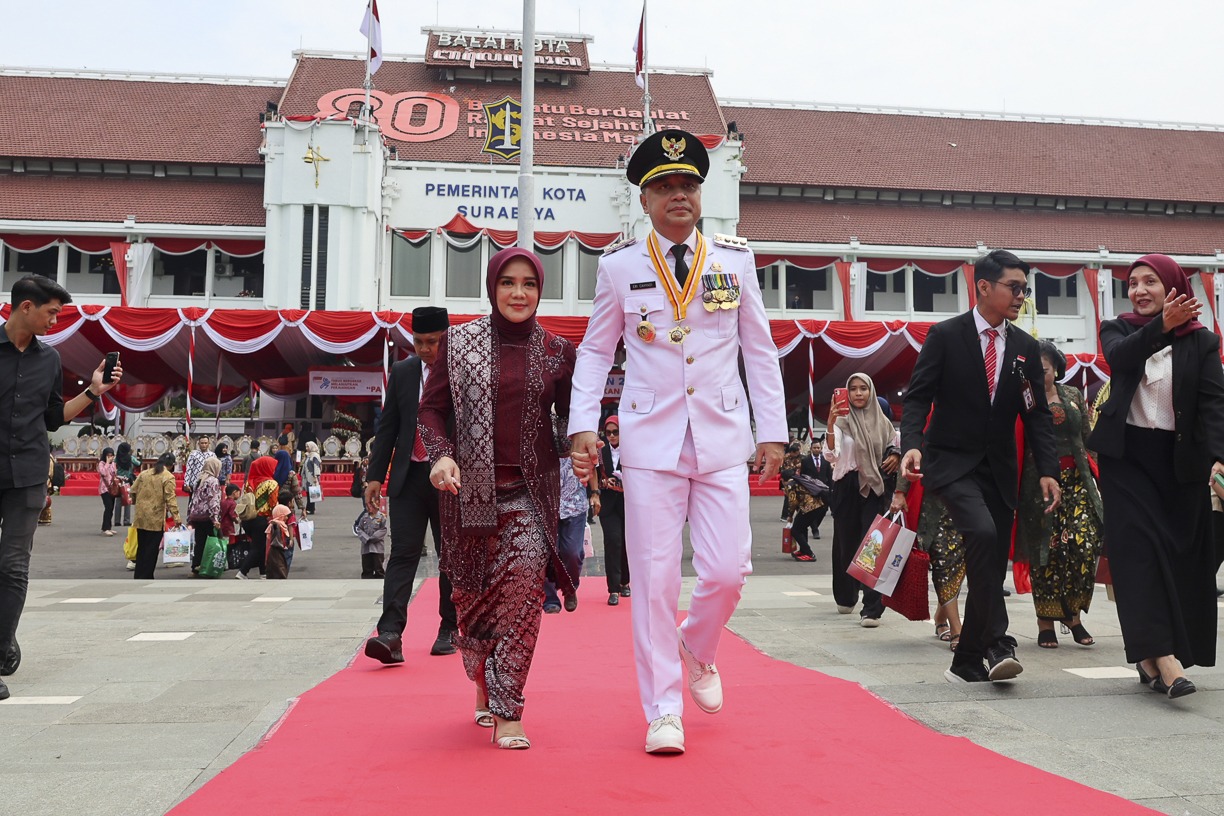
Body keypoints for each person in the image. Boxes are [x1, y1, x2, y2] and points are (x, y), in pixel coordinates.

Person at [568, 130, 787, 754]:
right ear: (645, 201)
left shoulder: (734, 260)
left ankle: (697, 644)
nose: (678, 196)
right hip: (649, 441)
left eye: (688, 184)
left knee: (728, 571)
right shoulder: (619, 267)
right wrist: (583, 424)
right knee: (654, 580)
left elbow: (759, 350)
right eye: (664, 187)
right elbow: (595, 351)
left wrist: (772, 430)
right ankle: (663, 709)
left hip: (721, 437)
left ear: (701, 193)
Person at [418, 247, 577, 750]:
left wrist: (583, 445)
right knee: (473, 607)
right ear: (492, 288)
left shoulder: (557, 350)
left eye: (529, 284)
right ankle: (485, 680)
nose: (518, 293)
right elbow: (430, 409)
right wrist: (442, 455)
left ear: (540, 290)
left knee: (523, 601)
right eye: (508, 282)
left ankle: (509, 710)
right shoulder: (458, 342)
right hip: (468, 495)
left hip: (531, 495)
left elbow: (573, 419)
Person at [900, 249, 1060, 685]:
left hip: (999, 469)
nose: (1021, 296)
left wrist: (1048, 470)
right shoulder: (945, 336)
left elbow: (1036, 413)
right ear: (984, 287)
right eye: (1014, 287)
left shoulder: (1025, 348)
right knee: (984, 535)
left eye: (1025, 289)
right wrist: (911, 445)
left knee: (990, 562)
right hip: (951, 463)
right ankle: (996, 643)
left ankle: (971, 658)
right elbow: (917, 397)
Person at [1087, 254, 1224, 698]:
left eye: (1150, 281)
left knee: (1179, 559)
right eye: (1133, 283)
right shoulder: (1118, 329)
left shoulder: (1202, 342)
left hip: (1181, 465)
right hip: (1126, 461)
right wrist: (1161, 326)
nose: (1139, 290)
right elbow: (1120, 358)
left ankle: (1149, 657)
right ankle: (1166, 663)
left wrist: (1221, 458)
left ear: (1172, 286)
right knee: (1139, 556)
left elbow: (1213, 405)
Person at [0, 274, 122, 701]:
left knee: (13, 566)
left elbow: (53, 417)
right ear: (26, 307)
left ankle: (0, 646)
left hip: (29, 474)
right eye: (51, 313)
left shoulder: (49, 359)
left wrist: (93, 391)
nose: (55, 321)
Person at [363, 305, 459, 662]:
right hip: (409, 477)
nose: (424, 349)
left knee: (451, 555)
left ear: (446, 338)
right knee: (403, 552)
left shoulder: (462, 371)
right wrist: (375, 476)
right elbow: (388, 425)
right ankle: (390, 634)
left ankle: (449, 628)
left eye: (432, 342)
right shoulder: (403, 372)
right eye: (418, 342)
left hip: (450, 477)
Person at [1014, 341, 1103, 649]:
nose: (1041, 375)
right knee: (1046, 553)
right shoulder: (1024, 398)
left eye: (1045, 369)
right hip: (1037, 484)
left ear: (1056, 369)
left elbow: (1088, 438)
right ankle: (1046, 622)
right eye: (1035, 370)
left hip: (1078, 481)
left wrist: (1097, 472)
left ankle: (1072, 614)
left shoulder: (1073, 395)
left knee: (1084, 543)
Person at [824, 373, 900, 625]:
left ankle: (872, 608)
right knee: (846, 545)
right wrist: (830, 423)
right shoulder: (840, 422)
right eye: (853, 389)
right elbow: (831, 455)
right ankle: (846, 596)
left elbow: (894, 444)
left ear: (871, 391)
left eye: (863, 388)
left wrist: (896, 455)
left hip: (875, 487)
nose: (858, 393)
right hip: (846, 486)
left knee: (873, 546)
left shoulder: (883, 422)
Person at [544, 454, 587, 613]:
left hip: (575, 504)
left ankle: (570, 588)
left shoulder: (578, 440)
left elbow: (592, 467)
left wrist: (596, 493)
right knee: (547, 554)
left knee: (573, 552)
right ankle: (550, 598)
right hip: (546, 505)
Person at [129, 453, 181, 581]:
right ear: (171, 465)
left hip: (141, 516)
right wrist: (176, 516)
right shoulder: (168, 477)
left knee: (142, 547)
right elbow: (170, 498)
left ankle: (139, 574)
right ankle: (147, 575)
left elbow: (133, 490)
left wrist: (137, 502)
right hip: (155, 518)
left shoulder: (144, 474)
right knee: (152, 549)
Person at [598, 415, 630, 605]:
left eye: (615, 432)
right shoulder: (600, 452)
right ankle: (613, 589)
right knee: (613, 541)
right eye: (608, 432)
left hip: (628, 503)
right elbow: (593, 477)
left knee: (627, 542)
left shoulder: (632, 450)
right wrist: (603, 483)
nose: (611, 436)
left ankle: (625, 582)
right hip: (608, 503)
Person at [236, 455, 279, 579]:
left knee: (260, 546)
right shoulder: (271, 483)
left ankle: (263, 572)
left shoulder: (249, 482)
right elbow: (273, 504)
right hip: (262, 519)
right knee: (258, 548)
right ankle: (242, 572)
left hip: (248, 518)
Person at [187, 456, 223, 576]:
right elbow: (213, 500)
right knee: (214, 541)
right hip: (207, 516)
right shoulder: (213, 481)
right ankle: (211, 566)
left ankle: (196, 566)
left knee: (200, 542)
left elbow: (194, 498)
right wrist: (215, 518)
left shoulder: (200, 478)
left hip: (197, 516)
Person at [97, 447, 120, 537]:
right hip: (104, 489)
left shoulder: (113, 464)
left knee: (111, 508)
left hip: (112, 488)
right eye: (109, 455)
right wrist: (107, 463)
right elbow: (103, 473)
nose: (110, 457)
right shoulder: (101, 464)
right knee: (108, 507)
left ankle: (108, 527)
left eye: (112, 455)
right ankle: (105, 528)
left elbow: (114, 473)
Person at [114, 441, 136, 528]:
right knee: (127, 499)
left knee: (118, 501)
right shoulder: (130, 458)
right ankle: (126, 520)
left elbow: (113, 466)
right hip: (127, 480)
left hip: (119, 480)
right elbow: (138, 463)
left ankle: (117, 521)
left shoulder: (117, 458)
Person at [301, 440, 321, 514]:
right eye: (306, 447)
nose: (306, 448)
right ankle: (309, 507)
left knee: (312, 493)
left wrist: (316, 476)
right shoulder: (308, 455)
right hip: (307, 476)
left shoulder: (315, 455)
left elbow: (316, 466)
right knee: (308, 492)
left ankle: (311, 508)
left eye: (308, 447)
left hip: (312, 476)